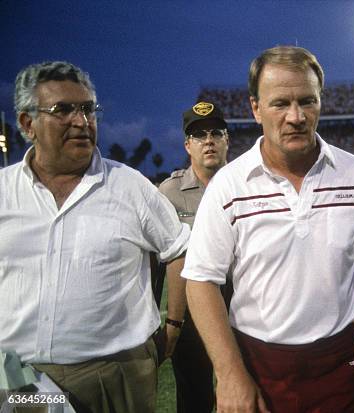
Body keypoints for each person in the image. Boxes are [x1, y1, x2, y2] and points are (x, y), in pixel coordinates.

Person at [182, 46, 354, 413]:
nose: (296, 117)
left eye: (307, 101)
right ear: (255, 108)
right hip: (256, 360)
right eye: (280, 103)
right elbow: (200, 281)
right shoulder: (230, 185)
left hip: (338, 360)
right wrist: (229, 373)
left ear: (320, 102)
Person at [0, 61, 190, 412]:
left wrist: (174, 324)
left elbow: (180, 249)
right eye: (63, 110)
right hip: (19, 376)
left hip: (116, 374)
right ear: (28, 124)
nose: (81, 121)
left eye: (88, 109)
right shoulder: (3, 191)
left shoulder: (130, 186)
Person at [158, 101, 230, 413]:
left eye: (216, 132)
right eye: (199, 135)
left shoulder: (248, 185)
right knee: (194, 399)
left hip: (243, 308)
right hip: (189, 310)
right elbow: (158, 260)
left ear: (228, 140)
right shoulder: (169, 192)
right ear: (188, 145)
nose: (209, 140)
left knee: (247, 393)